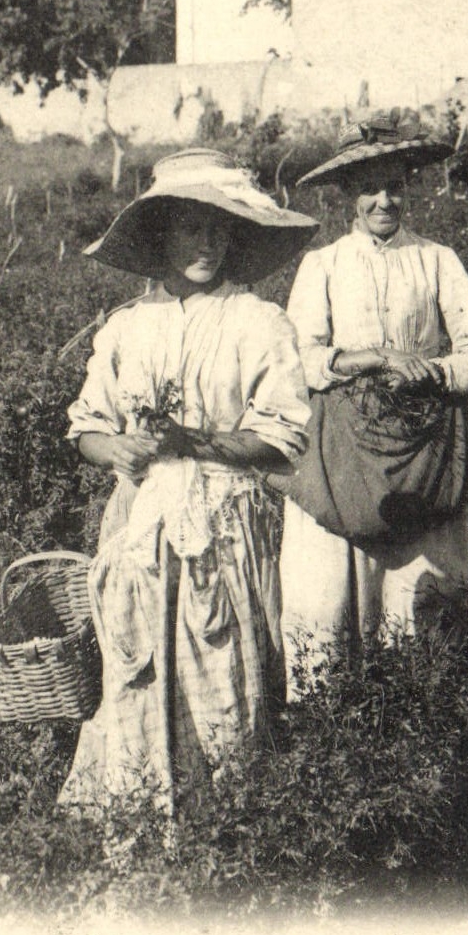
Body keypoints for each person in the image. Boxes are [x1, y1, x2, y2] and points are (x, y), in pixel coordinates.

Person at [59, 148, 315, 812]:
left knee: (229, 673)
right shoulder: (126, 328)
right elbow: (85, 428)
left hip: (226, 527)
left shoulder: (258, 323)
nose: (206, 242)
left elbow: (282, 438)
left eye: (219, 227)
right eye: (191, 227)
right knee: (138, 670)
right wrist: (120, 446)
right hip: (140, 523)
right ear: (161, 234)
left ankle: (233, 825)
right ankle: (146, 818)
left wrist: (194, 441)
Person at [280, 114, 468, 690]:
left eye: (394, 185)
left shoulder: (437, 260)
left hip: (423, 450)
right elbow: (296, 359)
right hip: (342, 452)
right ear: (348, 194)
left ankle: (417, 718)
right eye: (370, 188)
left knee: (421, 602)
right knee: (325, 603)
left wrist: (429, 372)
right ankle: (332, 730)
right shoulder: (322, 265)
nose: (383, 200)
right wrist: (372, 359)